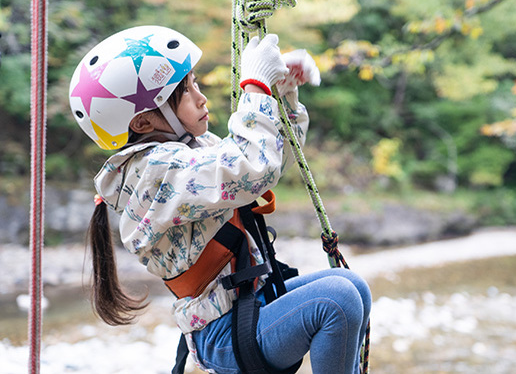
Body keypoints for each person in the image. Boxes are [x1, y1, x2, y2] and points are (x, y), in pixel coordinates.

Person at [68, 25, 371, 374]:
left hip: (248, 303)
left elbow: (271, 161)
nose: (201, 98)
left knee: (353, 287)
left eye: (196, 84)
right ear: (143, 121)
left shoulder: (190, 153)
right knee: (338, 300)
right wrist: (254, 86)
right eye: (185, 92)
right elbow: (250, 168)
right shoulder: (154, 173)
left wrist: (281, 92)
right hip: (224, 333)